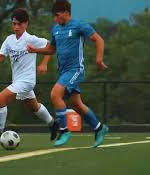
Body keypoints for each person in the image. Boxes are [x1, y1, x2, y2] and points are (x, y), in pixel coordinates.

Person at [27, 0, 109, 147]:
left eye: (57, 15)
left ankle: (64, 131)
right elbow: (52, 49)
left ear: (66, 12)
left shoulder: (79, 25)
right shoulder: (56, 29)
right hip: (64, 72)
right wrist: (35, 50)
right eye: (54, 16)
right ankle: (99, 127)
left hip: (76, 69)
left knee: (55, 94)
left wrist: (99, 59)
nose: (55, 19)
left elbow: (99, 40)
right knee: (76, 104)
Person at [0, 8, 59, 144]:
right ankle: (52, 124)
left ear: (26, 24)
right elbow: (1, 57)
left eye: (19, 24)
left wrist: (44, 63)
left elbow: (51, 47)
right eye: (14, 24)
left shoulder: (31, 39)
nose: (16, 27)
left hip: (28, 80)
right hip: (17, 80)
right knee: (34, 106)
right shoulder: (9, 40)